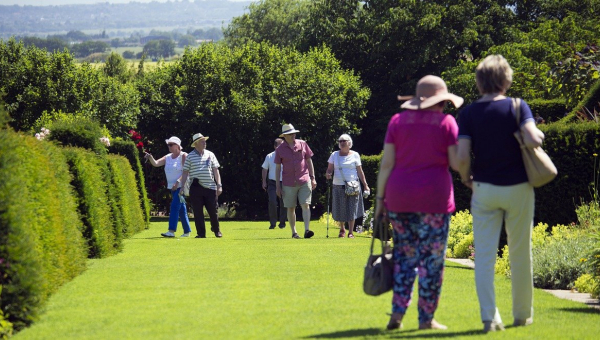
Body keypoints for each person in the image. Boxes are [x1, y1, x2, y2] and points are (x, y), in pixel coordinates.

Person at [457, 55, 543, 332]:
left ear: (479, 81)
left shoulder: (468, 113)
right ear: (506, 79)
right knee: (520, 252)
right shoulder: (518, 107)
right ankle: (521, 315)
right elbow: (532, 138)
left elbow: (461, 157)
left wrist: (465, 177)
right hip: (519, 187)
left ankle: (489, 318)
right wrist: (538, 135)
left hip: (484, 187)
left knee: (483, 256)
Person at [375, 75, 463, 331]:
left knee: (404, 258)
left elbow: (387, 164)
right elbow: (456, 164)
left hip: (399, 198)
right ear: (439, 102)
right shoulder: (447, 123)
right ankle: (426, 319)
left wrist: (380, 200)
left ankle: (397, 314)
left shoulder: (397, 121)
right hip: (434, 199)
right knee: (431, 262)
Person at [275, 124, 317, 239]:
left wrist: (313, 178)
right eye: (290, 134)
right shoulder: (280, 149)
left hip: (304, 179)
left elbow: (309, 161)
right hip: (288, 182)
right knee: (291, 207)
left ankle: (307, 230)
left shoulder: (303, 144)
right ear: (284, 136)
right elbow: (278, 168)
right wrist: (278, 186)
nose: (293, 135)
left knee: (305, 204)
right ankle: (294, 232)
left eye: (294, 133)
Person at [144, 136, 192, 238]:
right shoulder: (168, 157)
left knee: (174, 207)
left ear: (177, 146)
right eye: (168, 145)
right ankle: (187, 231)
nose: (169, 146)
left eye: (171, 144)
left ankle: (171, 231)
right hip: (172, 188)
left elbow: (186, 172)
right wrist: (150, 157)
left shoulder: (184, 156)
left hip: (181, 187)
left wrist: (178, 182)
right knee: (181, 209)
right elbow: (156, 163)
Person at [179, 133, 224, 238]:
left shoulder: (210, 154)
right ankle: (201, 233)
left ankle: (217, 230)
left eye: (205, 141)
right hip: (196, 187)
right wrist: (182, 186)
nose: (205, 143)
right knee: (198, 212)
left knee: (213, 211)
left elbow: (216, 170)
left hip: (210, 187)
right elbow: (185, 172)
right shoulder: (190, 156)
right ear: (196, 144)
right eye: (202, 141)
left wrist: (219, 185)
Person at [325, 134, 370, 238]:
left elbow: (360, 171)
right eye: (340, 141)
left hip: (353, 185)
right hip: (338, 185)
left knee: (352, 208)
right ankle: (342, 229)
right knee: (340, 208)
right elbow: (329, 168)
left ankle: (350, 232)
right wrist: (328, 173)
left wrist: (365, 185)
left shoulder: (355, 155)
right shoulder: (334, 155)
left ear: (349, 143)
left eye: (343, 141)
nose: (341, 143)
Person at [262, 138, 287, 230]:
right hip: (272, 182)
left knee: (284, 203)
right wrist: (264, 181)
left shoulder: (286, 156)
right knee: (272, 201)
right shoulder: (269, 156)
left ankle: (282, 223)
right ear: (275, 147)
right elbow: (265, 169)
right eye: (279, 146)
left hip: (284, 182)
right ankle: (273, 223)